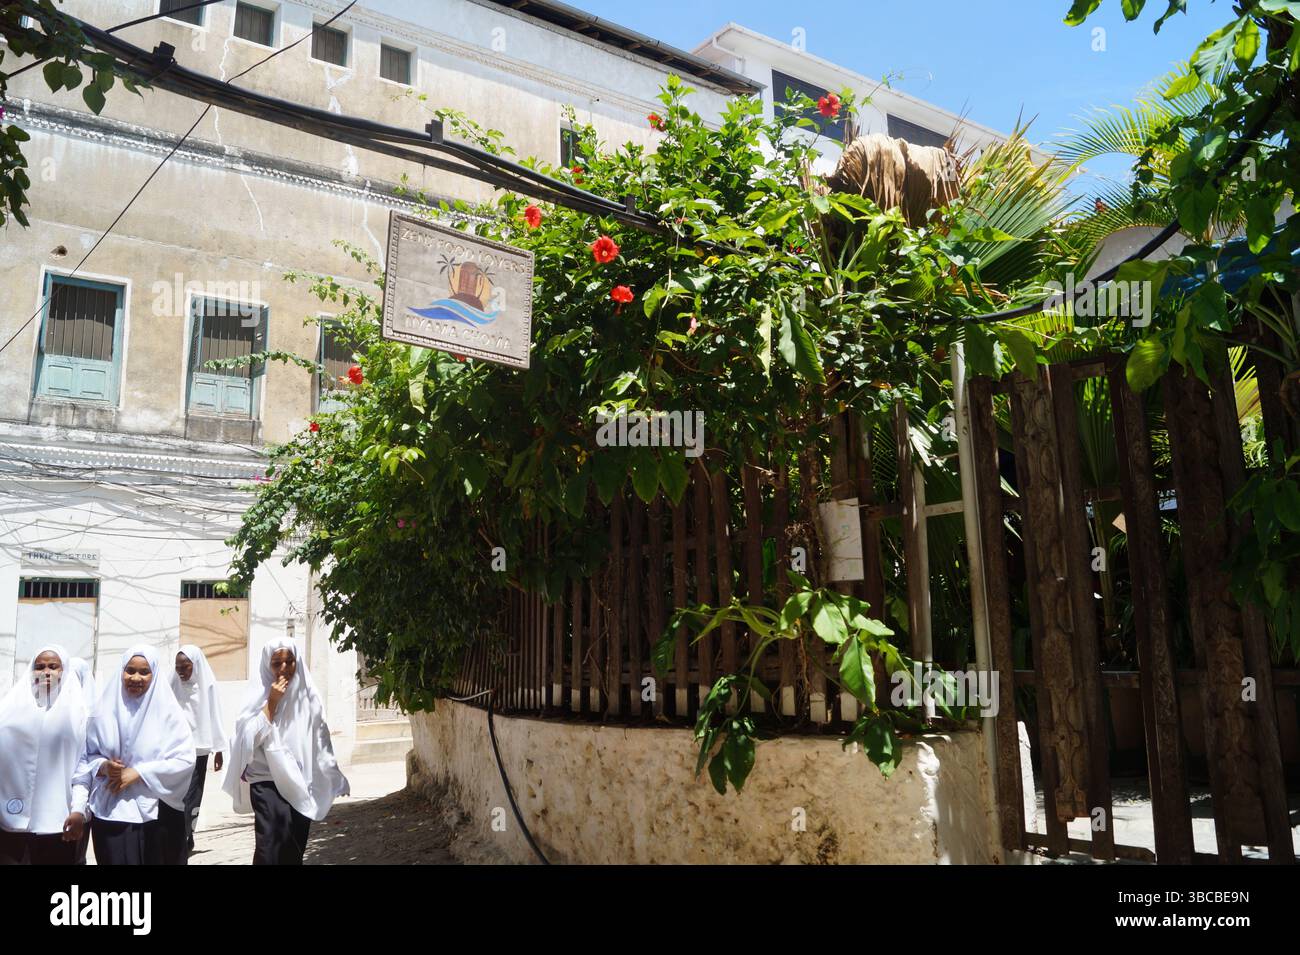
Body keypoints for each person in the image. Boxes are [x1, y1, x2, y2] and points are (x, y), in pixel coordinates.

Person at [224, 638, 349, 865]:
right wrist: (271, 704)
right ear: (267, 665)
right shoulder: (257, 696)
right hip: (266, 781)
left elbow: (320, 739)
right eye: (276, 663)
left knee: (294, 849)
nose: (284, 668)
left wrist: (334, 775)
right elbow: (248, 740)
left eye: (289, 662)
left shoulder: (308, 695)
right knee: (270, 848)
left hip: (301, 781)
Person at [71, 646, 195, 865]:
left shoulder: (169, 715)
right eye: (130, 670)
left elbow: (184, 760)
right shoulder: (103, 712)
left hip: (158, 817)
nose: (136, 678)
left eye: (144, 672)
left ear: (154, 675)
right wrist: (104, 766)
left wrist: (139, 773)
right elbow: (87, 755)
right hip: (112, 813)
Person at [0, 645, 89, 865]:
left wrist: (79, 810)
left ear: (64, 671)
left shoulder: (78, 716)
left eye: (53, 666)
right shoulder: (9, 711)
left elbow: (82, 770)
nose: (46, 671)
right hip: (10, 823)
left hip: (58, 824)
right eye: (39, 666)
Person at [169, 645, 226, 857]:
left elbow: (215, 716)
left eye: (186, 666)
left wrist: (219, 749)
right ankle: (180, 835)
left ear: (196, 666)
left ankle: (185, 835)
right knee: (176, 794)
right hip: (176, 749)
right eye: (178, 667)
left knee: (192, 795)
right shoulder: (172, 684)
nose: (181, 671)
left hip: (199, 749)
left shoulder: (207, 685)